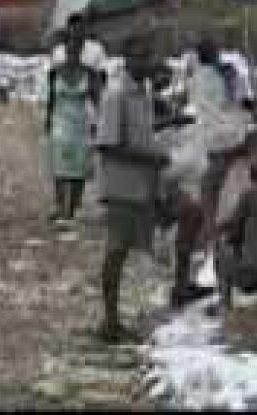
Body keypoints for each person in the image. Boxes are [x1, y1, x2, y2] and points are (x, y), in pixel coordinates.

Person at [96, 41, 165, 342]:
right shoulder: (117, 95)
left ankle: (113, 319)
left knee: (122, 251)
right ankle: (110, 320)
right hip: (122, 185)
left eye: (149, 55)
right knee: (116, 251)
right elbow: (108, 145)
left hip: (140, 184)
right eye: (142, 56)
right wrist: (151, 158)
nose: (148, 62)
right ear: (128, 60)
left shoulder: (141, 93)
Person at [190, 38, 251, 262]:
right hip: (223, 143)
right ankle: (215, 244)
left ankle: (210, 241)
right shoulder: (219, 77)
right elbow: (231, 107)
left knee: (211, 200)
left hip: (212, 144)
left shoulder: (200, 78)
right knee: (218, 201)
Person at [47, 17, 102, 223]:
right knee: (60, 165)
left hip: (81, 121)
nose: (72, 51)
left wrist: (100, 124)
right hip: (60, 120)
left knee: (79, 166)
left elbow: (97, 100)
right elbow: (51, 98)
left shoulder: (89, 73)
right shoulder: (55, 72)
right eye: (69, 47)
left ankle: (73, 207)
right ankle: (61, 206)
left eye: (76, 48)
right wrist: (48, 121)